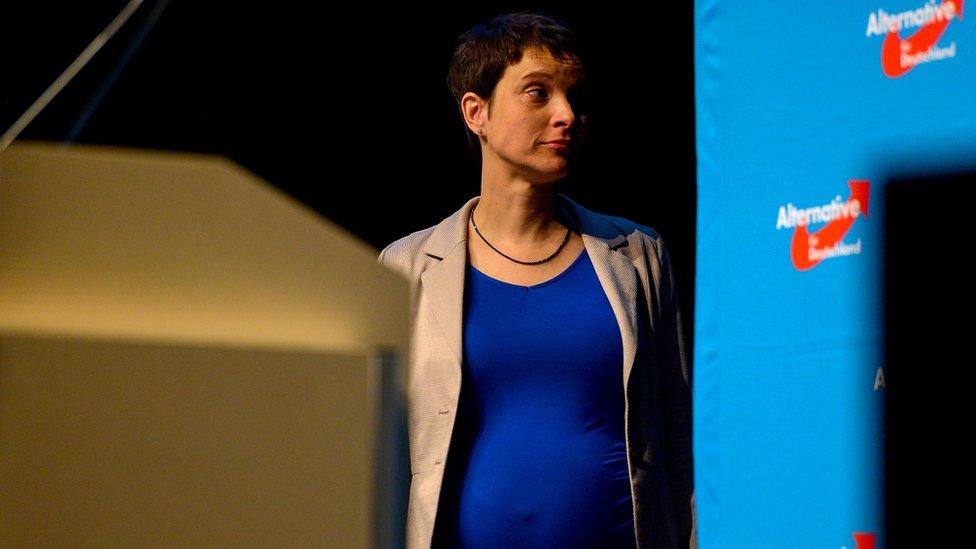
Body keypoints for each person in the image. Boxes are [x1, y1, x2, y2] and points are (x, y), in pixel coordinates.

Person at [377, 12, 695, 549]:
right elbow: (378, 453)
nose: (567, 114)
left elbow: (677, 434)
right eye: (537, 93)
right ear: (476, 112)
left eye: (575, 95)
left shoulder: (637, 255)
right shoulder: (407, 268)